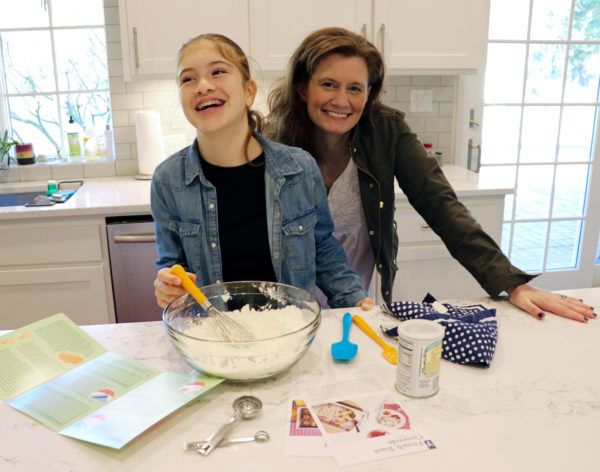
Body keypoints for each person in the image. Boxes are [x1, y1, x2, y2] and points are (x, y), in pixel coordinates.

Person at [266, 27, 595, 323]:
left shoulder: (387, 132)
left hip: (353, 295)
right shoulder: (271, 144)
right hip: (281, 302)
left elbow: (442, 205)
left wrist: (512, 283)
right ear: (303, 89)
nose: (342, 100)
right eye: (328, 84)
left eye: (355, 88)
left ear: (369, 95)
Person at [151, 33, 372, 311]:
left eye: (218, 71)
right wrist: (168, 286)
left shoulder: (300, 169)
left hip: (290, 329)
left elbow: (323, 250)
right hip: (213, 335)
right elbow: (173, 266)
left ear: (248, 92)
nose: (203, 85)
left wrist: (355, 299)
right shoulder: (167, 181)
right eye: (188, 78)